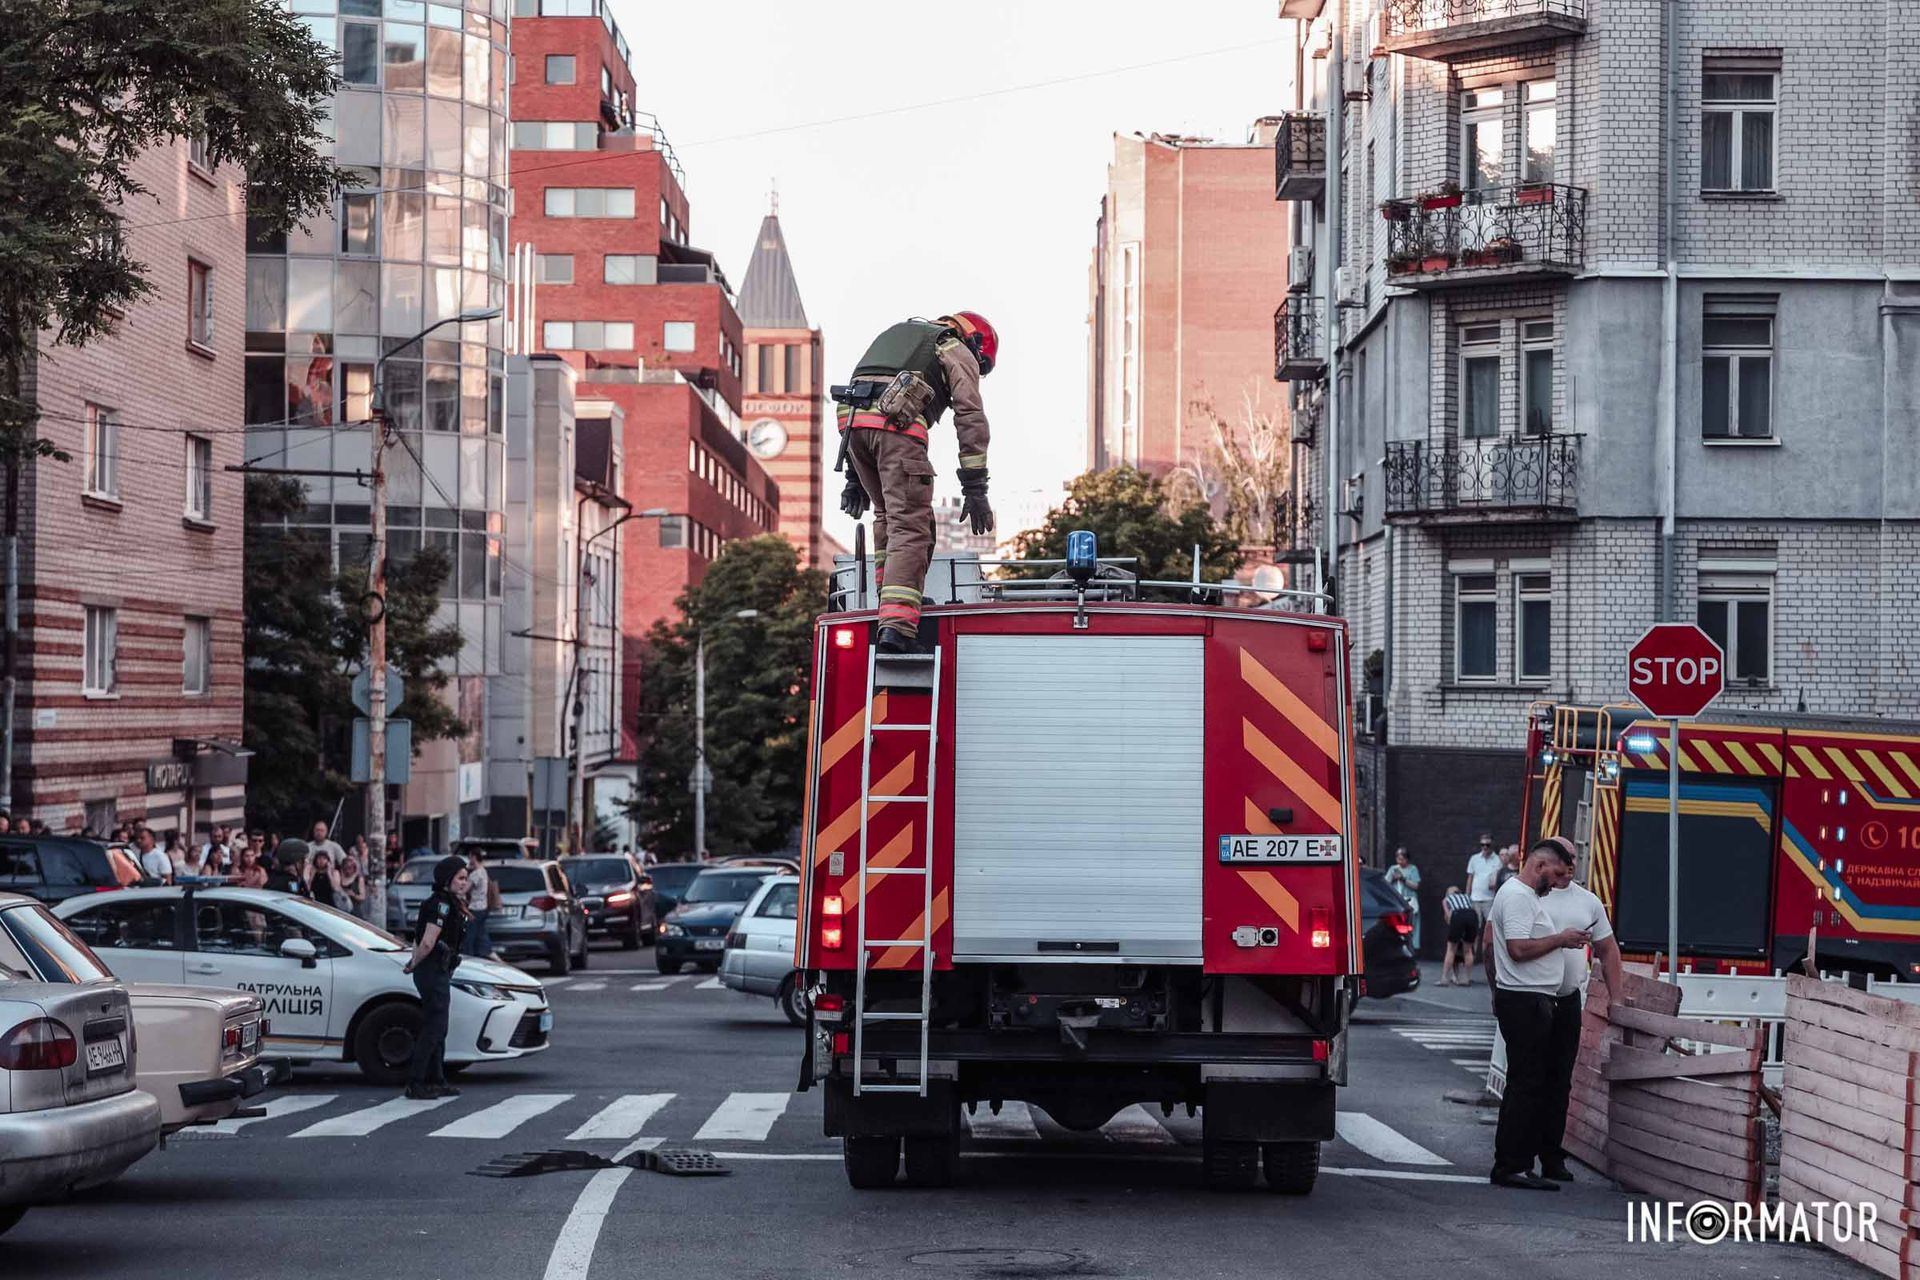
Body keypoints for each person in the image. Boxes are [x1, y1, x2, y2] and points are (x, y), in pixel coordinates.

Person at [834, 311, 996, 652]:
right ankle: (897, 626)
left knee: (887, 516)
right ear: (976, 342)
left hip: (851, 427)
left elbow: (864, 392)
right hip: (896, 428)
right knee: (911, 525)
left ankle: (888, 605)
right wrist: (976, 488)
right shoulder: (954, 347)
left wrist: (854, 477)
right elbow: (970, 415)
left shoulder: (898, 335)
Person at [1486, 838, 1593, 1190]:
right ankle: (1512, 1165)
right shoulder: (1517, 897)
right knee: (1526, 1083)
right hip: (1525, 1000)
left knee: (1529, 1081)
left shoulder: (1526, 896)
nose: (1560, 882)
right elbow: (1517, 949)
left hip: (1531, 999)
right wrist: (1560, 939)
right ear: (1540, 866)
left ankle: (1517, 1161)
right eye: (1557, 874)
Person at [1537, 836, 1624, 1183]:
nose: (1570, 863)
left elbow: (1609, 951)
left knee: (1560, 1082)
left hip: (1568, 999)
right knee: (1530, 1079)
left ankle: (1552, 1156)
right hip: (1533, 998)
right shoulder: (1529, 897)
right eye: (1563, 857)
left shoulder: (1588, 903)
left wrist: (1616, 998)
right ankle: (1521, 1152)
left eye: (1574, 857)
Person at [401, 856, 470, 1100]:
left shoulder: (449, 902)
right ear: (447, 879)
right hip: (431, 971)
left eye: (466, 878)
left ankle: (437, 1079)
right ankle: (416, 1082)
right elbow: (428, 941)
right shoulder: (440, 904)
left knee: (439, 1028)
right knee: (434, 1028)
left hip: (438, 971)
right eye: (460, 878)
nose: (465, 883)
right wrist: (413, 964)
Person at [1385, 847, 1422, 951]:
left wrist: (1403, 878)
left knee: (1411, 925)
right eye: (1398, 859)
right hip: (1397, 901)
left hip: (1409, 901)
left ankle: (1411, 947)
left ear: (1407, 859)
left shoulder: (1413, 869)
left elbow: (1416, 885)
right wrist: (1392, 877)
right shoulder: (1393, 869)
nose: (1400, 861)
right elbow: (1386, 883)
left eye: (1402, 859)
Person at [1440, 885, 1479, 986]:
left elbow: (1448, 916)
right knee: (1468, 950)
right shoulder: (1467, 897)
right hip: (1472, 916)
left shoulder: (1447, 899)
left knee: (1451, 949)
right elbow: (1473, 910)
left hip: (1458, 915)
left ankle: (1444, 978)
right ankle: (1466, 979)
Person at [1465, 833, 1502, 933]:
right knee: (1474, 929)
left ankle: (1488, 949)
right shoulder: (1474, 858)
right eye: (1482, 845)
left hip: (1490, 899)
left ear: (1492, 845)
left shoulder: (1498, 860)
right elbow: (1470, 878)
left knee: (1491, 929)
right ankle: (1473, 949)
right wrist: (1467, 896)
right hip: (1475, 898)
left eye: (1487, 845)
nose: (1485, 847)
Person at [462, 848, 493, 958]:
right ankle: (488, 954)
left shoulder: (475, 875)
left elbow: (463, 890)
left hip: (474, 908)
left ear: (474, 857)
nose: (469, 860)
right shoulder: (483, 871)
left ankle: (468, 958)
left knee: (469, 937)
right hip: (483, 907)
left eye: (470, 857)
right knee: (481, 936)